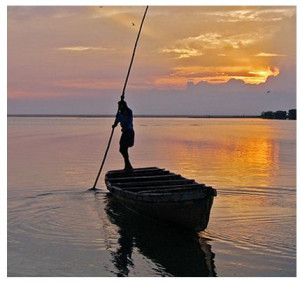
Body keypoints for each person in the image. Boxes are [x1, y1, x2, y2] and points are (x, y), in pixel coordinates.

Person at [112, 100, 135, 172]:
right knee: (122, 149)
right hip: (125, 132)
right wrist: (114, 125)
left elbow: (126, 115)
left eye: (121, 105)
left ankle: (128, 166)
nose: (119, 107)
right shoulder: (119, 114)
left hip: (129, 132)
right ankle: (128, 166)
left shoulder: (128, 112)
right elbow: (116, 122)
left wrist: (122, 100)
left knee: (123, 149)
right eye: (119, 106)